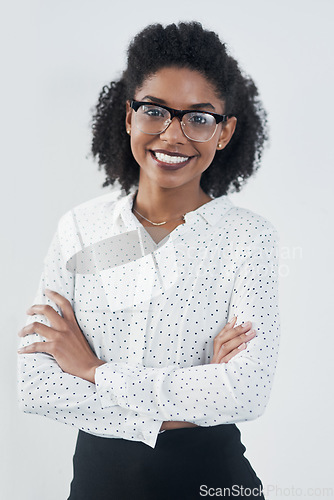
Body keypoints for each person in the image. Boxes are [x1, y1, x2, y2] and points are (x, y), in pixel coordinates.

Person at [17, 22, 280, 500]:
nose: (172, 134)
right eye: (155, 110)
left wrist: (93, 370)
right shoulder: (81, 230)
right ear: (129, 116)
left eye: (199, 118)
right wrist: (197, 393)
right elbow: (38, 387)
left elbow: (245, 392)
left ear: (224, 133)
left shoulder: (248, 239)